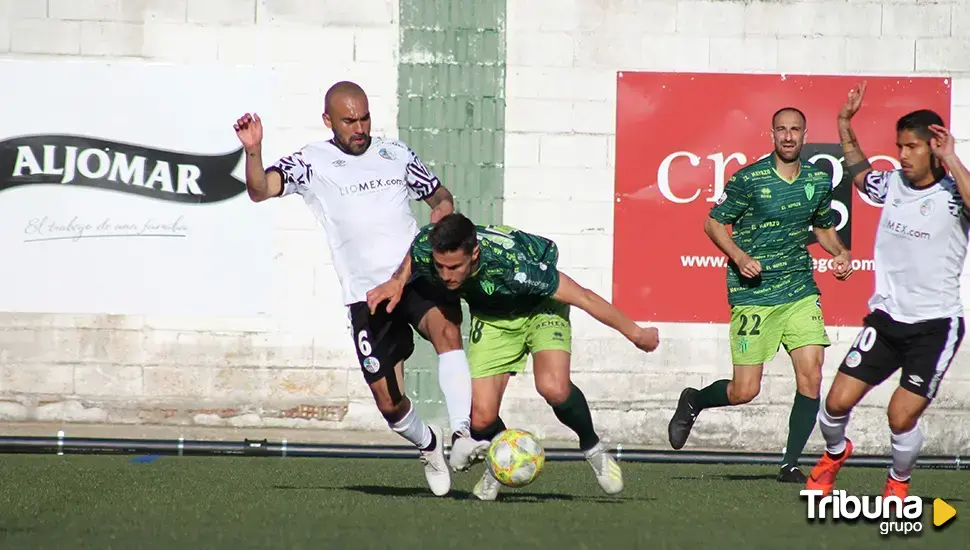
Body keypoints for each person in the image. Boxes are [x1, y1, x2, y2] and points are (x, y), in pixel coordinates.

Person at [232, 81, 479, 497]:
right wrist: (253, 150)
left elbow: (439, 195)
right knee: (389, 405)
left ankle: (462, 433)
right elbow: (260, 190)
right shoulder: (312, 161)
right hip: (366, 295)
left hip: (412, 275)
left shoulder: (395, 154)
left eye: (365, 118)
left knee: (447, 331)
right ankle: (428, 443)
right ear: (328, 121)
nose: (360, 127)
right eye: (349, 120)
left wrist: (440, 211)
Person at [366, 213, 660, 501]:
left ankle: (593, 449)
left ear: (475, 253)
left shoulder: (514, 266)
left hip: (540, 309)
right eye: (441, 266)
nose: (446, 275)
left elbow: (583, 296)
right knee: (481, 421)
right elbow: (416, 248)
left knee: (553, 387)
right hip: (493, 320)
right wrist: (398, 280)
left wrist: (635, 333)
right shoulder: (428, 249)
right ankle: (499, 466)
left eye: (455, 267)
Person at [667, 107, 854, 483]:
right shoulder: (749, 179)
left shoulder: (818, 180)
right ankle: (695, 400)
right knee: (744, 390)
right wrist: (739, 256)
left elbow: (823, 228)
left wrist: (841, 254)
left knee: (812, 375)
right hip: (753, 294)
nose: (788, 136)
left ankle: (789, 464)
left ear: (804, 134)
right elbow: (713, 222)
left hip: (800, 289)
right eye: (781, 130)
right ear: (772, 134)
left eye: (795, 130)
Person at [806, 82, 968, 499]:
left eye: (912, 147)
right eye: (899, 146)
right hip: (886, 320)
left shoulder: (953, 195)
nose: (902, 154)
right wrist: (844, 123)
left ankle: (897, 481)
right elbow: (860, 175)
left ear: (932, 147)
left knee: (899, 417)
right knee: (835, 403)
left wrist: (952, 156)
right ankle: (835, 454)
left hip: (934, 327)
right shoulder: (892, 185)